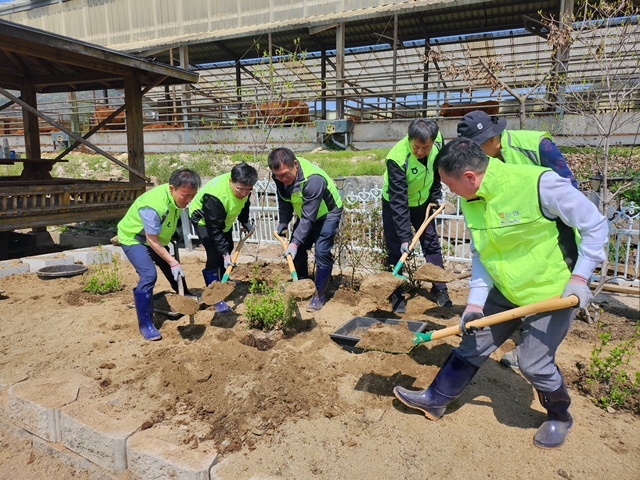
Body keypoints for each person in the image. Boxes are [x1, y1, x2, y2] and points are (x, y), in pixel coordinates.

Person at [393, 138, 608, 449]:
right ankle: (435, 399)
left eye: (449, 184)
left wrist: (580, 276)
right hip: (505, 289)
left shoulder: (538, 184)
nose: (450, 192)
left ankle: (560, 416)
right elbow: (482, 253)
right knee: (473, 340)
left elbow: (595, 225)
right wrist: (475, 304)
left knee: (534, 363)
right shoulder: (472, 199)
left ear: (469, 176)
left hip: (551, 293)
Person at [457, 110, 580, 369]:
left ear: (492, 137)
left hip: (552, 232)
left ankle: (534, 354)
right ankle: (527, 349)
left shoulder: (537, 146)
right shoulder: (483, 163)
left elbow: (569, 191)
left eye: (477, 146)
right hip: (513, 234)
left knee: (546, 294)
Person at [117, 168, 201, 341]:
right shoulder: (153, 205)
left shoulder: (177, 198)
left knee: (172, 267)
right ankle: (146, 324)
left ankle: (186, 294)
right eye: (185, 195)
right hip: (135, 237)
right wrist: (172, 261)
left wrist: (171, 261)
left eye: (192, 196)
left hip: (156, 238)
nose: (189, 200)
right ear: (171, 189)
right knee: (148, 275)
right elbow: (152, 240)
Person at [382, 118, 451, 312]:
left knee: (431, 243)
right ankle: (396, 294)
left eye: (425, 147)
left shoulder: (438, 144)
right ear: (409, 138)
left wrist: (435, 196)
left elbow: (438, 170)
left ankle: (440, 288)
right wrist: (405, 236)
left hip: (423, 202)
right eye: (416, 147)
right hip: (395, 203)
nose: (420, 152)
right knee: (396, 247)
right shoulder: (396, 158)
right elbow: (399, 200)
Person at [268, 147, 343, 312]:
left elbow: (310, 217)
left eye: (286, 174)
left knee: (322, 252)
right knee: (299, 247)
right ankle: (302, 283)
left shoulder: (313, 179)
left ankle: (319, 294)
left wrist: (293, 243)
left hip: (327, 214)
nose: (283, 179)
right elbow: (285, 199)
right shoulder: (279, 177)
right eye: (278, 176)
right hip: (306, 213)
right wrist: (283, 222)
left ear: (295, 164)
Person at [189, 162, 258, 312]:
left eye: (248, 189)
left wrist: (245, 221)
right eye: (240, 189)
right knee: (215, 254)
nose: (244, 193)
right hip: (204, 220)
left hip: (222, 219)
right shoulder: (215, 196)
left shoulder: (245, 188)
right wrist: (225, 254)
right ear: (230, 181)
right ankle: (214, 295)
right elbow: (214, 229)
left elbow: (244, 204)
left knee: (228, 245)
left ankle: (222, 280)